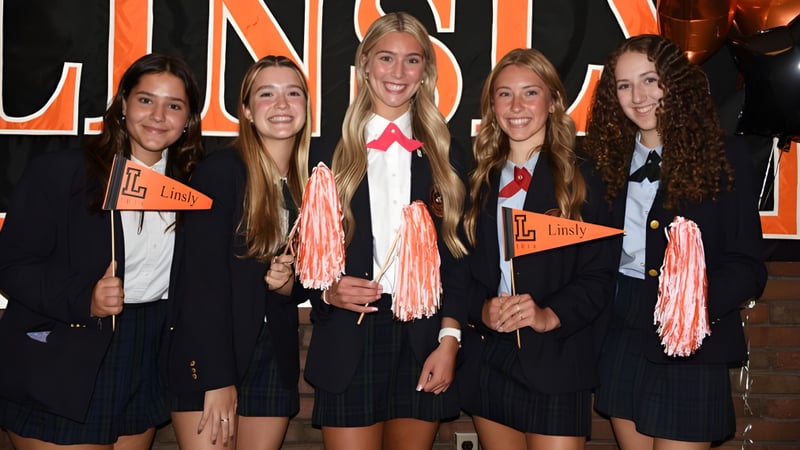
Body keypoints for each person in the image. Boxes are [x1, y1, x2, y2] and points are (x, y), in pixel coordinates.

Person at [0, 53, 203, 449]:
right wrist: (83, 298)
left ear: (188, 121)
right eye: (146, 100)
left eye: (174, 106)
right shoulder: (62, 173)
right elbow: (11, 264)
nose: (158, 115)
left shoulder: (194, 188)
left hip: (147, 350)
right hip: (67, 353)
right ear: (123, 104)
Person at [584, 34, 768, 449]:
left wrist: (691, 303)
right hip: (622, 327)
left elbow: (748, 267)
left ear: (674, 83)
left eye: (650, 80)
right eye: (624, 85)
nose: (638, 96)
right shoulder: (602, 162)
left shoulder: (723, 156)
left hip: (691, 336)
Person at [302, 12, 469, 450]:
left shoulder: (447, 156)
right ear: (365, 65)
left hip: (423, 340)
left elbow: (460, 263)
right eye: (386, 58)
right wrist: (326, 293)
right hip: (348, 337)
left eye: (412, 61)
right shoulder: (326, 155)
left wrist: (449, 340)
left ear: (426, 72)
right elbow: (309, 260)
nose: (398, 73)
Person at [458, 48, 617, 450]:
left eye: (530, 92)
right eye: (504, 94)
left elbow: (600, 276)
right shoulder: (477, 179)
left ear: (553, 101)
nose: (516, 106)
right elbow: (459, 269)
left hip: (559, 358)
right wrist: (482, 310)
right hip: (491, 357)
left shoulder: (585, 176)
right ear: (492, 106)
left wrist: (549, 315)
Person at [165, 55, 310, 450]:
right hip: (211, 353)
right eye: (267, 94)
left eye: (292, 93)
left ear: (306, 106)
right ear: (246, 110)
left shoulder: (310, 181)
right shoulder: (220, 172)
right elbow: (200, 283)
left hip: (272, 357)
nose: (282, 105)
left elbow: (304, 284)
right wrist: (216, 378)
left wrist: (287, 286)